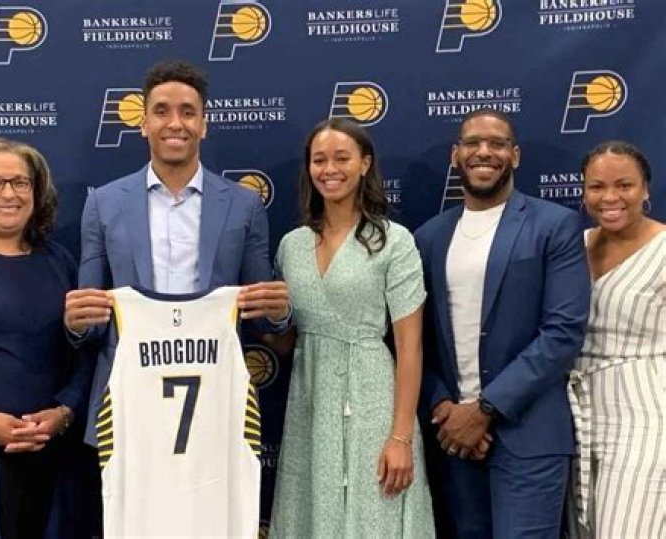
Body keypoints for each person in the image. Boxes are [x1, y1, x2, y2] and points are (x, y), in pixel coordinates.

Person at [63, 59, 290, 444]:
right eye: (161, 111)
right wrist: (76, 322)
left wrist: (279, 314)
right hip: (129, 391)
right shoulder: (103, 203)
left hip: (215, 390)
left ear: (204, 124)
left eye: (188, 112)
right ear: (143, 123)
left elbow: (262, 317)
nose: (175, 123)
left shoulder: (244, 205)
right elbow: (92, 322)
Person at [414, 108, 591, 538]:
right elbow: (418, 341)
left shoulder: (555, 225)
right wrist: (443, 407)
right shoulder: (428, 237)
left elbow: (562, 332)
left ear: (515, 155)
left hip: (529, 436)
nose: (484, 152)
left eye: (497, 144)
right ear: (456, 155)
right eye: (472, 143)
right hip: (453, 440)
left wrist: (486, 410)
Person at [269, 118, 435, 538]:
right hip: (309, 401)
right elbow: (283, 341)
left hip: (373, 400)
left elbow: (410, 347)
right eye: (319, 160)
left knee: (375, 513)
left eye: (341, 158)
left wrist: (400, 437)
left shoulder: (394, 241)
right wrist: (267, 316)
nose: (329, 169)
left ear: (365, 164)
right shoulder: (291, 246)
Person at [0, 138, 95, 538]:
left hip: (52, 458)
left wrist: (64, 413)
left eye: (20, 182)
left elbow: (85, 352)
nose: (8, 194)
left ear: (36, 191)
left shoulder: (60, 262)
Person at [568, 141, 665, 538]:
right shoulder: (576, 245)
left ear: (645, 189)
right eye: (597, 186)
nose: (610, 197)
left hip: (646, 414)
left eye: (624, 185)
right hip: (580, 416)